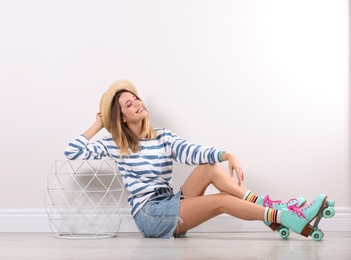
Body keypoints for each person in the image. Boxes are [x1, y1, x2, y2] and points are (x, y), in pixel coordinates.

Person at [64, 79, 328, 239]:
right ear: (120, 117)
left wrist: (229, 155)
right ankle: (282, 215)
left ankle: (272, 209)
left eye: (136, 98)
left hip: (170, 202)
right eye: (128, 104)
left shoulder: (163, 137)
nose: (137, 103)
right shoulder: (115, 144)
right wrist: (99, 125)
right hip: (150, 214)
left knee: (210, 167)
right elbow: (72, 151)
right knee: (222, 201)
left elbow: (194, 152)